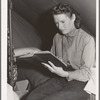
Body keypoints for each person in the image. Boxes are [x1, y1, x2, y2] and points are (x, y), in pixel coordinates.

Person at [14, 3, 95, 100]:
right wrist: (39, 59)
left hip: (80, 83)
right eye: (56, 23)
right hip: (59, 79)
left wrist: (65, 74)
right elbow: (53, 58)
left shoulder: (87, 39)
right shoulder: (57, 37)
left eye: (62, 22)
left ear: (73, 17)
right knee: (32, 97)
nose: (59, 27)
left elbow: (86, 74)